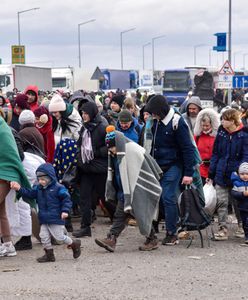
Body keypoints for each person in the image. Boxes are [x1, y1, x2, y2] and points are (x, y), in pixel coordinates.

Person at [95, 126, 162, 252]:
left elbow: (146, 166)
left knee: (136, 213)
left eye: (112, 147)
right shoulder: (116, 154)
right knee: (126, 214)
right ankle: (113, 239)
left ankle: (114, 239)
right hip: (125, 191)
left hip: (136, 188)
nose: (111, 151)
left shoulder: (133, 150)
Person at [145, 95, 196, 245]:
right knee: (158, 199)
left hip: (173, 166)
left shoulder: (177, 122)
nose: (152, 115)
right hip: (155, 166)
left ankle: (171, 233)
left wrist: (188, 173)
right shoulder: (154, 122)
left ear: (160, 110)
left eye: (154, 112)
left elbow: (188, 149)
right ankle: (167, 226)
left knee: (168, 197)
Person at [10, 163, 81, 263]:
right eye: (39, 179)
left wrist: (65, 211)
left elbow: (66, 200)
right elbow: (30, 194)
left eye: (43, 179)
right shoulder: (38, 188)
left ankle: (74, 243)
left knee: (59, 237)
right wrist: (19, 189)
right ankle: (49, 254)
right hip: (44, 218)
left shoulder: (58, 188)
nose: (41, 181)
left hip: (55, 218)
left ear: (50, 177)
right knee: (43, 236)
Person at [208, 109, 248, 240]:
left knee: (238, 202)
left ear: (231, 121)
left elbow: (245, 155)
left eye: (224, 119)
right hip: (221, 173)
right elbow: (215, 153)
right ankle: (222, 228)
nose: (221, 121)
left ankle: (242, 226)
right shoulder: (221, 133)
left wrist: (242, 171)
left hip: (238, 175)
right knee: (221, 202)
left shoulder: (244, 134)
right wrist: (211, 172)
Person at [72, 101, 108, 238]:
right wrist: (80, 159)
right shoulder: (85, 128)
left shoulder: (102, 127)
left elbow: (110, 148)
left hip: (99, 170)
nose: (83, 116)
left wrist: (95, 152)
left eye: (86, 113)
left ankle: (119, 220)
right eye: (82, 113)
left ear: (92, 113)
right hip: (86, 169)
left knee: (106, 199)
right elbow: (79, 145)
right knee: (84, 199)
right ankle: (85, 227)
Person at [0, 116, 32, 257]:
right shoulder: (4, 128)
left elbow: (12, 155)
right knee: (1, 212)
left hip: (6, 174)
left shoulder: (3, 130)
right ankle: (8, 245)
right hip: (4, 174)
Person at [194, 108, 220, 185]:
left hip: (214, 169)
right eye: (203, 126)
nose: (205, 128)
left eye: (207, 126)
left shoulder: (217, 136)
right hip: (200, 170)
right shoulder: (197, 136)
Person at [231, 162, 248, 245]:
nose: (245, 176)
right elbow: (234, 194)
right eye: (242, 174)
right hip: (243, 207)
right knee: (245, 223)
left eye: (247, 174)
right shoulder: (237, 184)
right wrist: (242, 194)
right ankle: (247, 236)